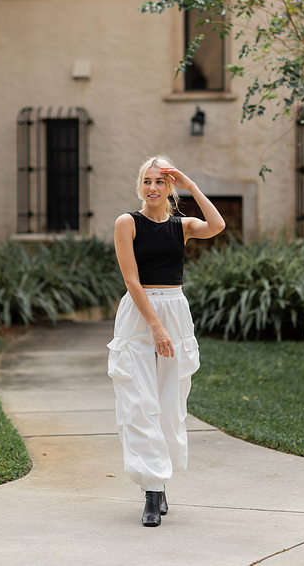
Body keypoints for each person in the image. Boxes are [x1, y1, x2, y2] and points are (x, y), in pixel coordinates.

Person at [107, 155, 225, 527]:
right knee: (139, 402)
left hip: (175, 309)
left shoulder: (182, 225)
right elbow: (131, 280)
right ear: (139, 185)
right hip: (140, 316)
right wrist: (155, 326)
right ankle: (152, 494)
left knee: (170, 403)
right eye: (147, 181)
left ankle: (158, 479)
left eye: (161, 182)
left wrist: (191, 185)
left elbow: (217, 225)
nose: (153, 188)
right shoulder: (127, 223)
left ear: (169, 187)